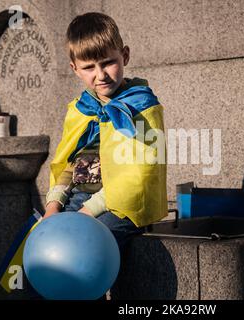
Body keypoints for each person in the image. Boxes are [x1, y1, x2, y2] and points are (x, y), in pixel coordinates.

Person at [43, 12, 168, 250]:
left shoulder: (142, 106)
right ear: (75, 69)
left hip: (124, 208)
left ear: (125, 56)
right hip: (79, 199)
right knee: (44, 242)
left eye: (108, 62)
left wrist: (86, 214)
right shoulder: (81, 109)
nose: (100, 75)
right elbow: (69, 164)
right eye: (89, 67)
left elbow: (141, 174)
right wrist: (53, 206)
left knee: (83, 247)